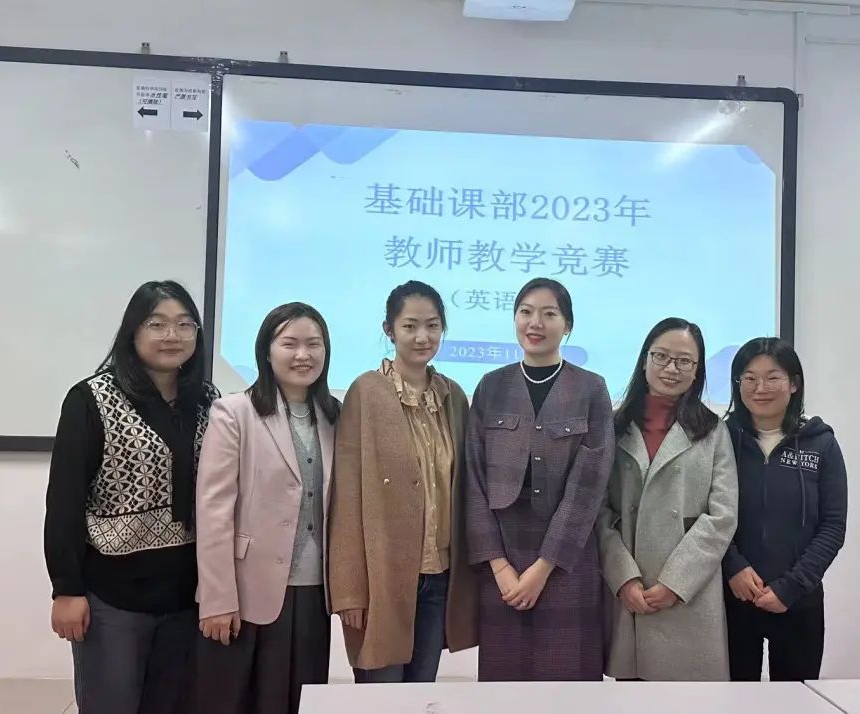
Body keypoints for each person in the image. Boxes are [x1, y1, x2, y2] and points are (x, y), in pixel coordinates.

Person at [44, 281, 218, 714]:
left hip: (188, 594)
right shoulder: (91, 399)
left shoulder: (207, 400)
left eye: (185, 324)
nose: (172, 335)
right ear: (132, 331)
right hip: (113, 596)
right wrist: (66, 589)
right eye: (156, 324)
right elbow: (64, 500)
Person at [465, 277, 614, 681]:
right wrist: (499, 567)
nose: (536, 323)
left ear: (567, 325)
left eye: (549, 314)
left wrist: (544, 567)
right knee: (503, 688)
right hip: (503, 560)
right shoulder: (491, 386)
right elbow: (473, 482)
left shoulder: (591, 389)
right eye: (526, 312)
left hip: (567, 561)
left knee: (568, 686)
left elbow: (589, 487)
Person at [195, 303, 341, 713]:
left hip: (314, 589)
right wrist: (217, 598)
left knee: (302, 700)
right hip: (247, 589)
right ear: (267, 351)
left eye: (314, 344)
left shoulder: (334, 415)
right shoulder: (234, 412)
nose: (303, 354)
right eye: (289, 343)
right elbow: (213, 509)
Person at [328, 281, 477, 682]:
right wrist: (349, 589)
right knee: (381, 698)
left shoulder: (453, 397)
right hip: (382, 578)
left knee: (420, 696)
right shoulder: (365, 392)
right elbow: (347, 494)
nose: (422, 336)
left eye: (432, 325)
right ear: (389, 330)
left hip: (439, 576)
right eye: (410, 326)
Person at [598, 318, 738, 681]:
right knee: (629, 700)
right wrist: (623, 578)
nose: (671, 368)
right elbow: (598, 512)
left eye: (684, 361)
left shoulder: (713, 430)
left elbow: (722, 516)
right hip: (629, 591)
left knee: (689, 700)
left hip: (689, 594)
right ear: (645, 359)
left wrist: (676, 582)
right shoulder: (613, 426)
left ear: (697, 370)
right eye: (661, 356)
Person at [722, 337, 847, 682]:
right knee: (730, 701)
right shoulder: (720, 440)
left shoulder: (821, 443)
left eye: (772, 377)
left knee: (795, 701)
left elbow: (833, 526)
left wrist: (792, 586)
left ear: (793, 383)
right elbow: (703, 513)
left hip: (798, 600)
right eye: (749, 378)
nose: (760, 388)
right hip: (731, 598)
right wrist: (733, 566)